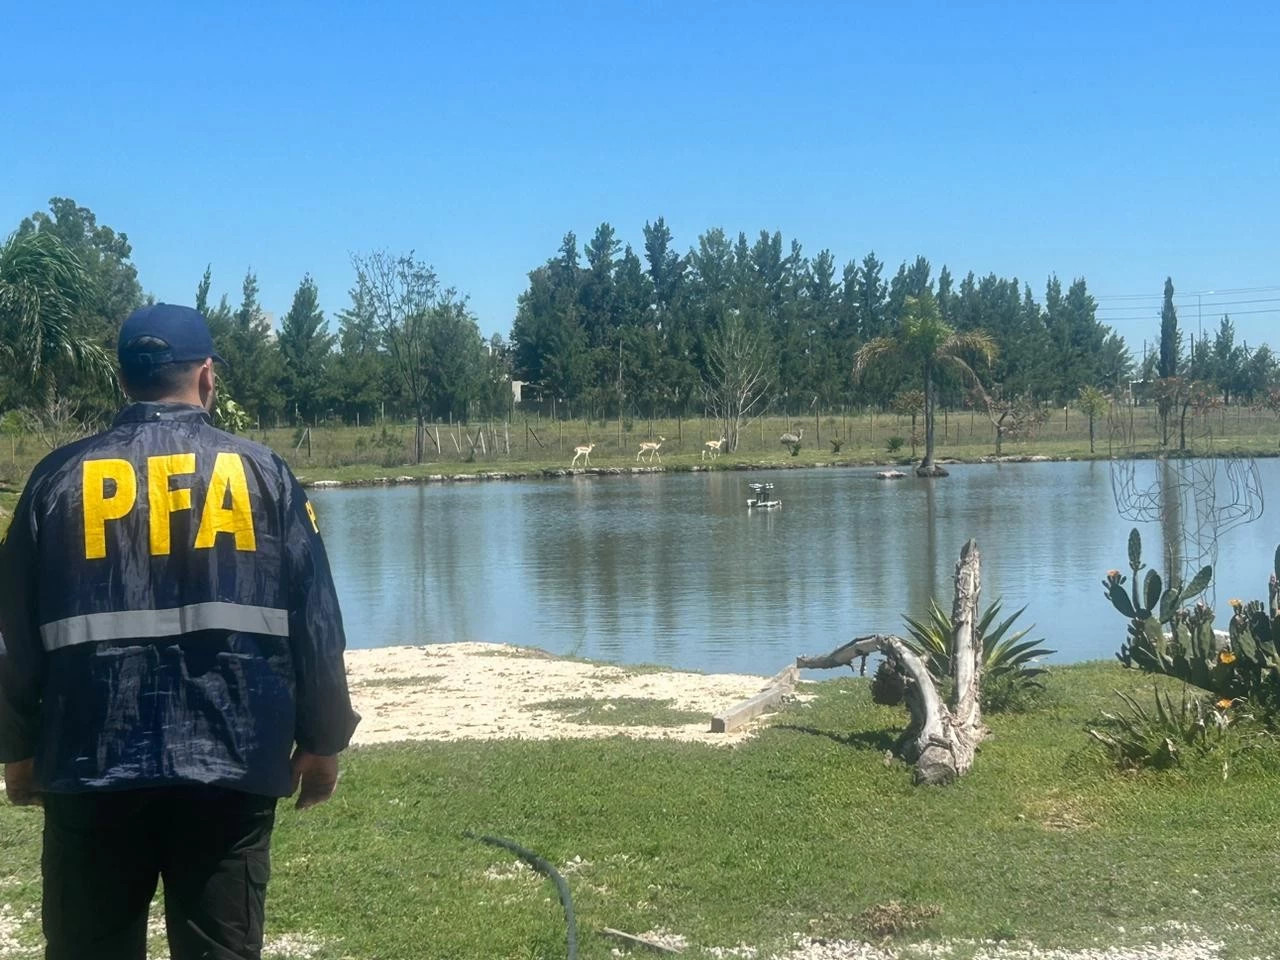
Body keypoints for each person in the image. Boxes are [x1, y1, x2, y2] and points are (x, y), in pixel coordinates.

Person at [0, 303, 359, 960]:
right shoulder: (264, 475)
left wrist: (17, 749)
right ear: (206, 376)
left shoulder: (54, 482)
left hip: (90, 762)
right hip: (233, 762)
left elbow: (13, 639)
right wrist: (324, 739)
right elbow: (316, 626)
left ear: (124, 378)